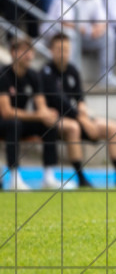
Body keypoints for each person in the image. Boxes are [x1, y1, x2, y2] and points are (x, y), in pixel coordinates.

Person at [40, 32, 116, 187]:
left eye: (66, 50)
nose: (63, 53)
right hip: (54, 121)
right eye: (59, 49)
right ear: (51, 51)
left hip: (77, 117)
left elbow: (80, 99)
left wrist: (84, 113)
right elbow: (59, 101)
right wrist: (83, 119)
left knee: (113, 128)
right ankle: (81, 178)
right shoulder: (46, 72)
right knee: (73, 128)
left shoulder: (73, 71)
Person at [0, 37, 85, 189]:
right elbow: (6, 112)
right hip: (4, 122)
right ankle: (14, 178)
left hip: (20, 122)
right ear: (13, 53)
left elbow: (41, 106)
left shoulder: (33, 75)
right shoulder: (4, 74)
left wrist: (47, 114)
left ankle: (48, 177)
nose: (29, 55)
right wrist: (38, 114)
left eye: (30, 51)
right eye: (24, 51)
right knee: (14, 124)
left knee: (48, 123)